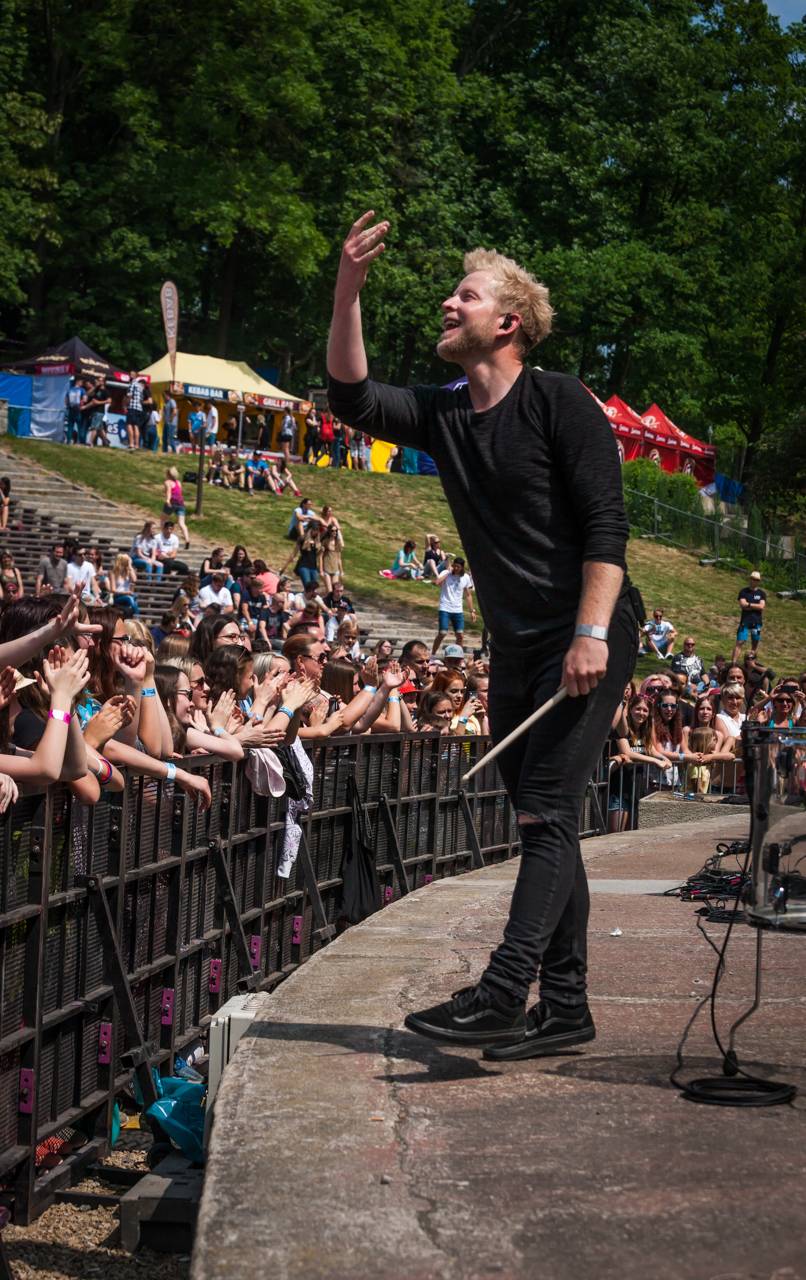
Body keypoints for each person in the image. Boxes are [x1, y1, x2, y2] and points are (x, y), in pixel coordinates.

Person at [328, 211, 638, 1058]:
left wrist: (591, 633)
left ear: (508, 323)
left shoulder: (558, 400)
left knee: (544, 813)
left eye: (464, 294)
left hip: (589, 627)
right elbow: (350, 396)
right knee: (545, 822)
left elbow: (606, 527)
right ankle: (565, 1008)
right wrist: (348, 285)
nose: (446, 302)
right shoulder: (444, 414)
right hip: (517, 641)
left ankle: (505, 992)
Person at [433, 556, 475, 654]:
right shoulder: (446, 573)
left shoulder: (466, 577)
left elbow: (468, 595)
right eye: (454, 566)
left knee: (460, 635)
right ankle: (433, 654)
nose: (456, 568)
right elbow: (437, 582)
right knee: (442, 633)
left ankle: (458, 657)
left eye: (458, 567)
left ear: (462, 568)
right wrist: (448, 572)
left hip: (457, 610)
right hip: (445, 608)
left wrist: (472, 611)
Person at [733, 570, 766, 662]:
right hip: (745, 622)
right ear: (750, 579)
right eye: (752, 579)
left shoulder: (761, 593)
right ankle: (734, 663)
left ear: (759, 581)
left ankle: (751, 662)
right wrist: (755, 606)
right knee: (740, 642)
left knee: (755, 643)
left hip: (757, 623)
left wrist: (749, 605)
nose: (754, 581)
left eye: (756, 579)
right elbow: (742, 604)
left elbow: (761, 606)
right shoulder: (743, 592)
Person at [162, 467, 190, 547]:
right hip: (180, 503)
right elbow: (179, 493)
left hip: (172, 502)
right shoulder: (178, 482)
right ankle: (187, 539)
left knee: (163, 519)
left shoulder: (167, 482)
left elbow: (169, 492)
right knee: (181, 523)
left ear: (169, 474)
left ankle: (163, 535)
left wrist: (167, 500)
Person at [125, 371, 146, 449]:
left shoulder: (132, 384)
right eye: (130, 374)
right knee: (136, 426)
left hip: (132, 407)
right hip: (139, 408)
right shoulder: (140, 386)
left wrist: (126, 405)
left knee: (129, 425)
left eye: (131, 374)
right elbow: (141, 399)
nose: (130, 375)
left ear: (135, 376)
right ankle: (137, 445)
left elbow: (129, 396)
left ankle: (131, 444)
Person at [65, 378, 86, 444]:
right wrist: (81, 405)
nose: (82, 384)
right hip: (78, 410)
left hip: (71, 409)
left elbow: (66, 400)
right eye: (81, 382)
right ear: (78, 382)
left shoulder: (70, 389)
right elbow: (85, 399)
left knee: (70, 426)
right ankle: (79, 442)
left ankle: (68, 441)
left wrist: (68, 406)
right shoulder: (82, 390)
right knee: (79, 426)